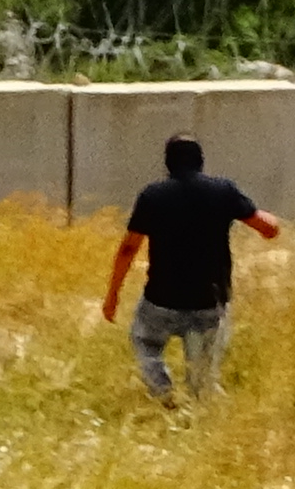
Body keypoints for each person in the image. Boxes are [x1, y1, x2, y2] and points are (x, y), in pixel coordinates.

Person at [99, 135, 281, 406]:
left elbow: (128, 248)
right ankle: (200, 411)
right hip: (209, 302)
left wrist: (113, 295)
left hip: (161, 300)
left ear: (167, 164)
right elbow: (269, 229)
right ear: (201, 161)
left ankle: (163, 393)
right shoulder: (223, 191)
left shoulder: (153, 195)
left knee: (145, 341)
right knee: (202, 381)